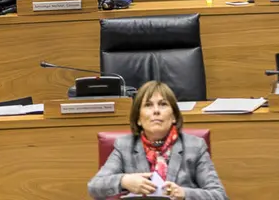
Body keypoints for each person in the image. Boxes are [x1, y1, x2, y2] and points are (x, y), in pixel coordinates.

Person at [88, 81, 228, 200]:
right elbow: (95, 186)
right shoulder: (125, 146)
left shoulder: (195, 146)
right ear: (138, 119)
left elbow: (219, 195)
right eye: (148, 105)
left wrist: (184, 193)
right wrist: (124, 181)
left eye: (163, 104)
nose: (156, 111)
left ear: (173, 117)